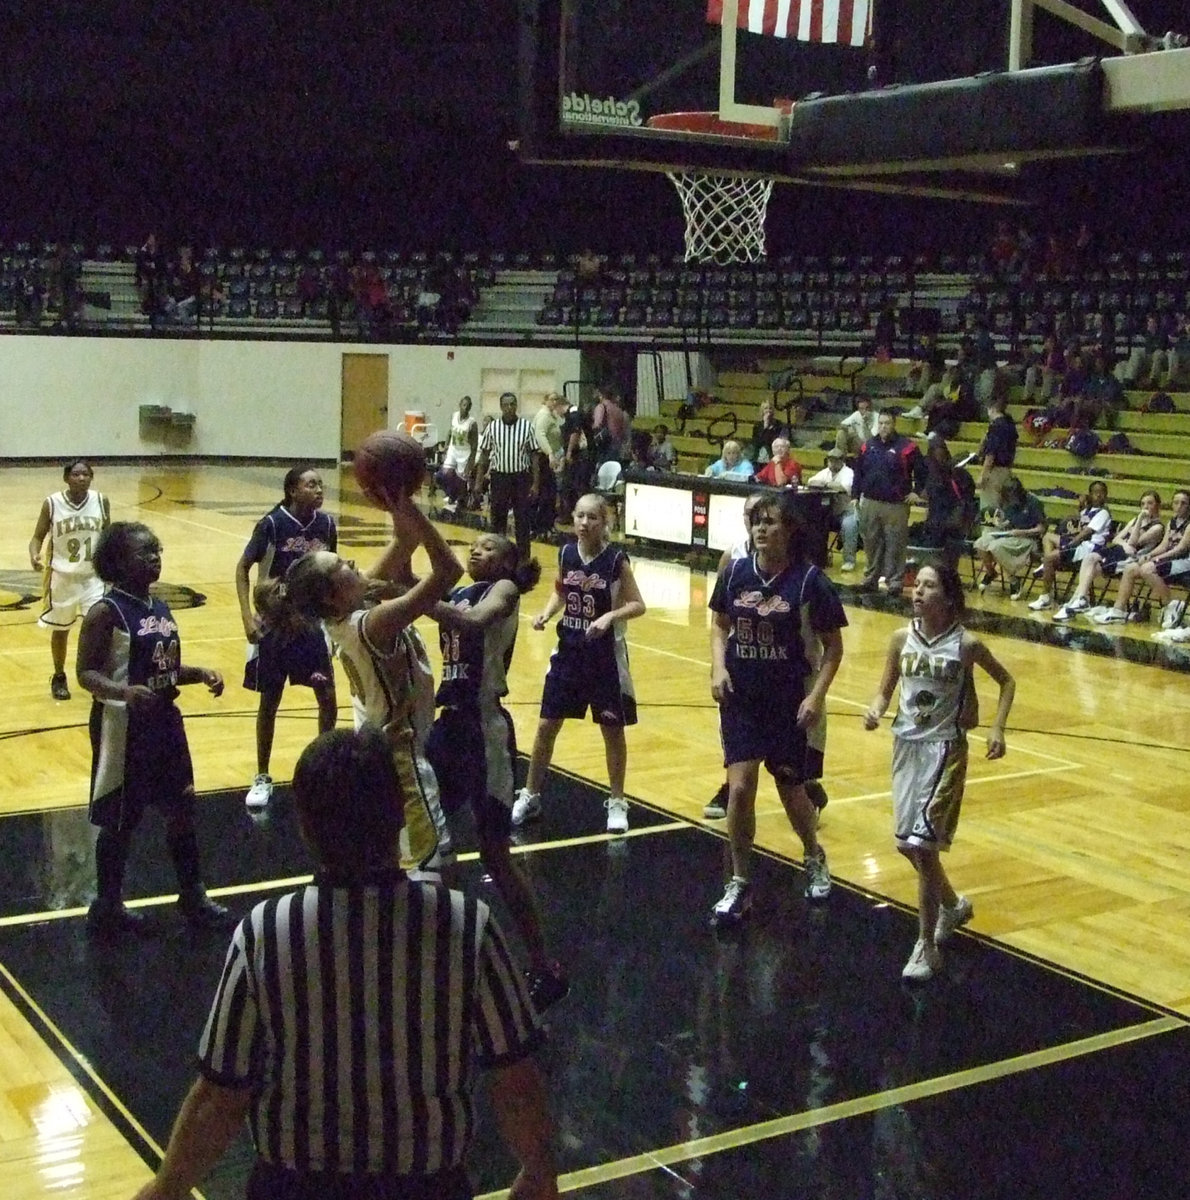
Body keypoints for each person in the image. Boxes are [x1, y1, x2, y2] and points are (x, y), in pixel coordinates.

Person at [131, 726, 559, 1200]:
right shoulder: (466, 926)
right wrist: (539, 1170)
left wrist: (167, 1188)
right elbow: (514, 1079)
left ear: (305, 826)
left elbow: (219, 1097)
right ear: (400, 811)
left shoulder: (265, 931)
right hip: (427, 1188)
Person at [268, 491, 463, 870]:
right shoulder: (372, 624)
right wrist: (410, 509)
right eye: (342, 563)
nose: (353, 561)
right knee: (432, 871)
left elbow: (404, 543)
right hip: (402, 760)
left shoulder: (344, 611)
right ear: (332, 595)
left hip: (382, 749)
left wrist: (395, 494)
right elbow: (448, 573)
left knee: (411, 870)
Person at [426, 534, 569, 1011]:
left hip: (485, 730)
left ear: (507, 562)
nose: (475, 551)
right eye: (473, 546)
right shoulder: (458, 592)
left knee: (495, 855)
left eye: (488, 548)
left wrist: (417, 598)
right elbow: (410, 585)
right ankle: (451, 957)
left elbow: (473, 623)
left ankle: (543, 963)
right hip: (448, 727)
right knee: (429, 839)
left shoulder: (502, 591)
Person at [863, 561, 1015, 981]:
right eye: (916, 585)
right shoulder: (899, 639)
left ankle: (925, 945)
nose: (918, 591)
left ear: (948, 597)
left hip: (944, 749)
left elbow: (1007, 681)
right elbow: (884, 689)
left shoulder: (966, 644)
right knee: (906, 846)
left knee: (923, 846)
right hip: (905, 745)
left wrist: (997, 729)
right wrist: (876, 709)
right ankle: (952, 905)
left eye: (928, 585)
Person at [76, 523, 231, 935]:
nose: (155, 559)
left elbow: (164, 667)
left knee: (182, 808)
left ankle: (192, 894)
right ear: (116, 561)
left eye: (157, 551)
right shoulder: (105, 612)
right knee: (121, 819)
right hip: (123, 726)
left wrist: (199, 672)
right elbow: (86, 674)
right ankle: (106, 904)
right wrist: (122, 692)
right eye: (145, 553)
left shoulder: (159, 607)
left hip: (165, 721)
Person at [708, 491, 846, 925]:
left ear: (790, 530)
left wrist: (816, 695)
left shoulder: (809, 582)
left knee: (791, 790)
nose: (761, 529)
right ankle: (739, 881)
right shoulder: (735, 573)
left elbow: (834, 648)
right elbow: (718, 623)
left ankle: (813, 854)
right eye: (757, 521)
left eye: (770, 522)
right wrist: (717, 668)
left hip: (788, 699)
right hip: (742, 696)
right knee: (741, 786)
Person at [512, 494, 646, 835]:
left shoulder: (616, 560)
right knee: (545, 725)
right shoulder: (566, 552)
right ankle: (531, 794)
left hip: (604, 658)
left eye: (593, 518)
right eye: (580, 516)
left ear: (605, 523)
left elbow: (638, 604)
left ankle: (617, 800)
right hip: (569, 651)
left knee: (611, 731)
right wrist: (546, 612)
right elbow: (561, 589)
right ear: (573, 518)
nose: (585, 523)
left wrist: (610, 616)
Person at [234, 466, 338, 811]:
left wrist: (336, 620)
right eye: (311, 485)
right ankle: (262, 775)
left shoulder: (326, 525)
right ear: (293, 490)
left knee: (327, 695)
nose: (319, 490)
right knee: (270, 700)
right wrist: (248, 617)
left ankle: (325, 771)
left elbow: (332, 571)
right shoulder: (272, 524)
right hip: (275, 625)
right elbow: (242, 567)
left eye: (320, 484)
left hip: (310, 624)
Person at [29, 458, 110, 700]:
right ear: (67, 478)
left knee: (99, 628)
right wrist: (34, 554)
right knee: (60, 629)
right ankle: (59, 676)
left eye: (86, 474)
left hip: (93, 577)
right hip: (61, 577)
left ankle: (99, 679)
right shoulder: (52, 503)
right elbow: (37, 537)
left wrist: (114, 565)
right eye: (76, 474)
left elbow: (107, 537)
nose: (81, 478)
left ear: (91, 477)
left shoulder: (101, 501)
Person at [1053, 491, 1164, 620]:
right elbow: (1117, 538)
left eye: (1149, 503)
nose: (1145, 507)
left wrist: (1139, 519)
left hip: (1131, 559)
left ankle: (1076, 602)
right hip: (1119, 551)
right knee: (1090, 558)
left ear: (1157, 506)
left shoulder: (1157, 527)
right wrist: (1124, 544)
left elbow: (1134, 543)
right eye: (1143, 503)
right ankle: (1079, 600)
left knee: (1092, 568)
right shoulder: (1134, 521)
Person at [851, 411, 926, 593]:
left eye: (887, 423)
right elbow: (858, 472)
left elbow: (923, 471)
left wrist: (916, 492)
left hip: (896, 505)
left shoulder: (907, 447)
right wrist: (855, 495)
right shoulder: (867, 446)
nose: (884, 427)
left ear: (894, 424)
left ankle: (895, 581)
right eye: (881, 423)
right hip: (870, 502)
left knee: (895, 543)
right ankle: (870, 578)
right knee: (871, 542)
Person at [1093, 488, 1190, 626]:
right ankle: (1118, 611)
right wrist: (1150, 555)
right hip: (1168, 559)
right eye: (1176, 503)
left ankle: (1171, 604)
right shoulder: (1172, 522)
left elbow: (1180, 549)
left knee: (1147, 569)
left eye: (1183, 503)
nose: (1179, 506)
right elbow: (1163, 545)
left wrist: (1157, 559)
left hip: (1183, 561)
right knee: (1131, 568)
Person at [473, 391, 541, 564]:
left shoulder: (527, 426)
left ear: (516, 406)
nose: (510, 407)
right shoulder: (493, 427)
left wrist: (535, 483)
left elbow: (534, 457)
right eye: (506, 404)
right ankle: (497, 557)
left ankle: (524, 560)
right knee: (498, 519)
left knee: (522, 520)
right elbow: (484, 456)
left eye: (513, 404)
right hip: (499, 477)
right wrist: (478, 483)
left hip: (520, 478)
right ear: (501, 407)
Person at [1027, 480, 1112, 611]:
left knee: (1049, 558)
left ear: (1106, 495)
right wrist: (1081, 503)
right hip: (1081, 545)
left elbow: (1085, 533)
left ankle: (1045, 598)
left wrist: (1067, 545)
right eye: (1095, 492)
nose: (1099, 495)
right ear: (1090, 494)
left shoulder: (1103, 513)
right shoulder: (1088, 511)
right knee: (1048, 536)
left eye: (1102, 493)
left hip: (1091, 549)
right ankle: (1045, 566)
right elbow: (1081, 522)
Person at [973, 475, 1047, 597]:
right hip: (1011, 535)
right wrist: (1003, 524)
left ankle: (1014, 581)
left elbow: (1041, 529)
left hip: (1029, 538)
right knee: (980, 543)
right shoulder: (1007, 502)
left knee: (995, 547)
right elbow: (1011, 520)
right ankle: (991, 572)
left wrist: (1022, 532)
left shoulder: (1033, 502)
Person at [805, 449, 859, 571]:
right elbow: (811, 481)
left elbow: (844, 487)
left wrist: (825, 484)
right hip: (829, 512)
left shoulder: (849, 472)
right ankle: (819, 558)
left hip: (846, 512)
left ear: (842, 461)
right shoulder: (826, 472)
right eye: (830, 461)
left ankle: (849, 560)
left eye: (835, 461)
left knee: (849, 525)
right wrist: (826, 483)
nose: (832, 463)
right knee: (815, 522)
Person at [530, 392, 568, 535]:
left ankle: (546, 524)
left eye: (556, 399)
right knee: (546, 493)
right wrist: (550, 454)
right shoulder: (544, 416)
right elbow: (540, 435)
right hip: (542, 458)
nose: (554, 402)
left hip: (547, 457)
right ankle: (540, 525)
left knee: (550, 493)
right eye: (552, 399)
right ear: (545, 400)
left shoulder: (551, 416)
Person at [436, 395, 479, 510]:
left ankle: (462, 499)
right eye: (464, 405)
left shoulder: (472, 423)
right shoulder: (454, 416)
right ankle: (452, 493)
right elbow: (450, 432)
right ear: (460, 405)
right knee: (445, 474)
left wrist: (471, 461)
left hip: (465, 453)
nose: (466, 408)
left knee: (462, 481)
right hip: (453, 450)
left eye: (468, 406)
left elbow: (474, 445)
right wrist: (445, 447)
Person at [976, 395, 1017, 515]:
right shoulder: (1010, 424)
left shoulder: (996, 427)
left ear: (992, 409)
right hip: (1006, 469)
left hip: (994, 471)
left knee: (989, 509)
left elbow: (991, 453)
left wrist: (983, 475)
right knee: (1003, 509)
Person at [591, 383, 630, 465]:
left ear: (601, 395)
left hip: (604, 443)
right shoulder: (618, 410)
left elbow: (597, 424)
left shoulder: (601, 407)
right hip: (616, 443)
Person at [749, 398, 788, 465]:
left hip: (773, 457)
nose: (768, 411)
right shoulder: (757, 426)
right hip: (758, 458)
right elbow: (756, 443)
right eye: (765, 408)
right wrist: (765, 426)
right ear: (762, 411)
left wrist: (767, 429)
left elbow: (773, 442)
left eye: (770, 408)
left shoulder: (779, 425)